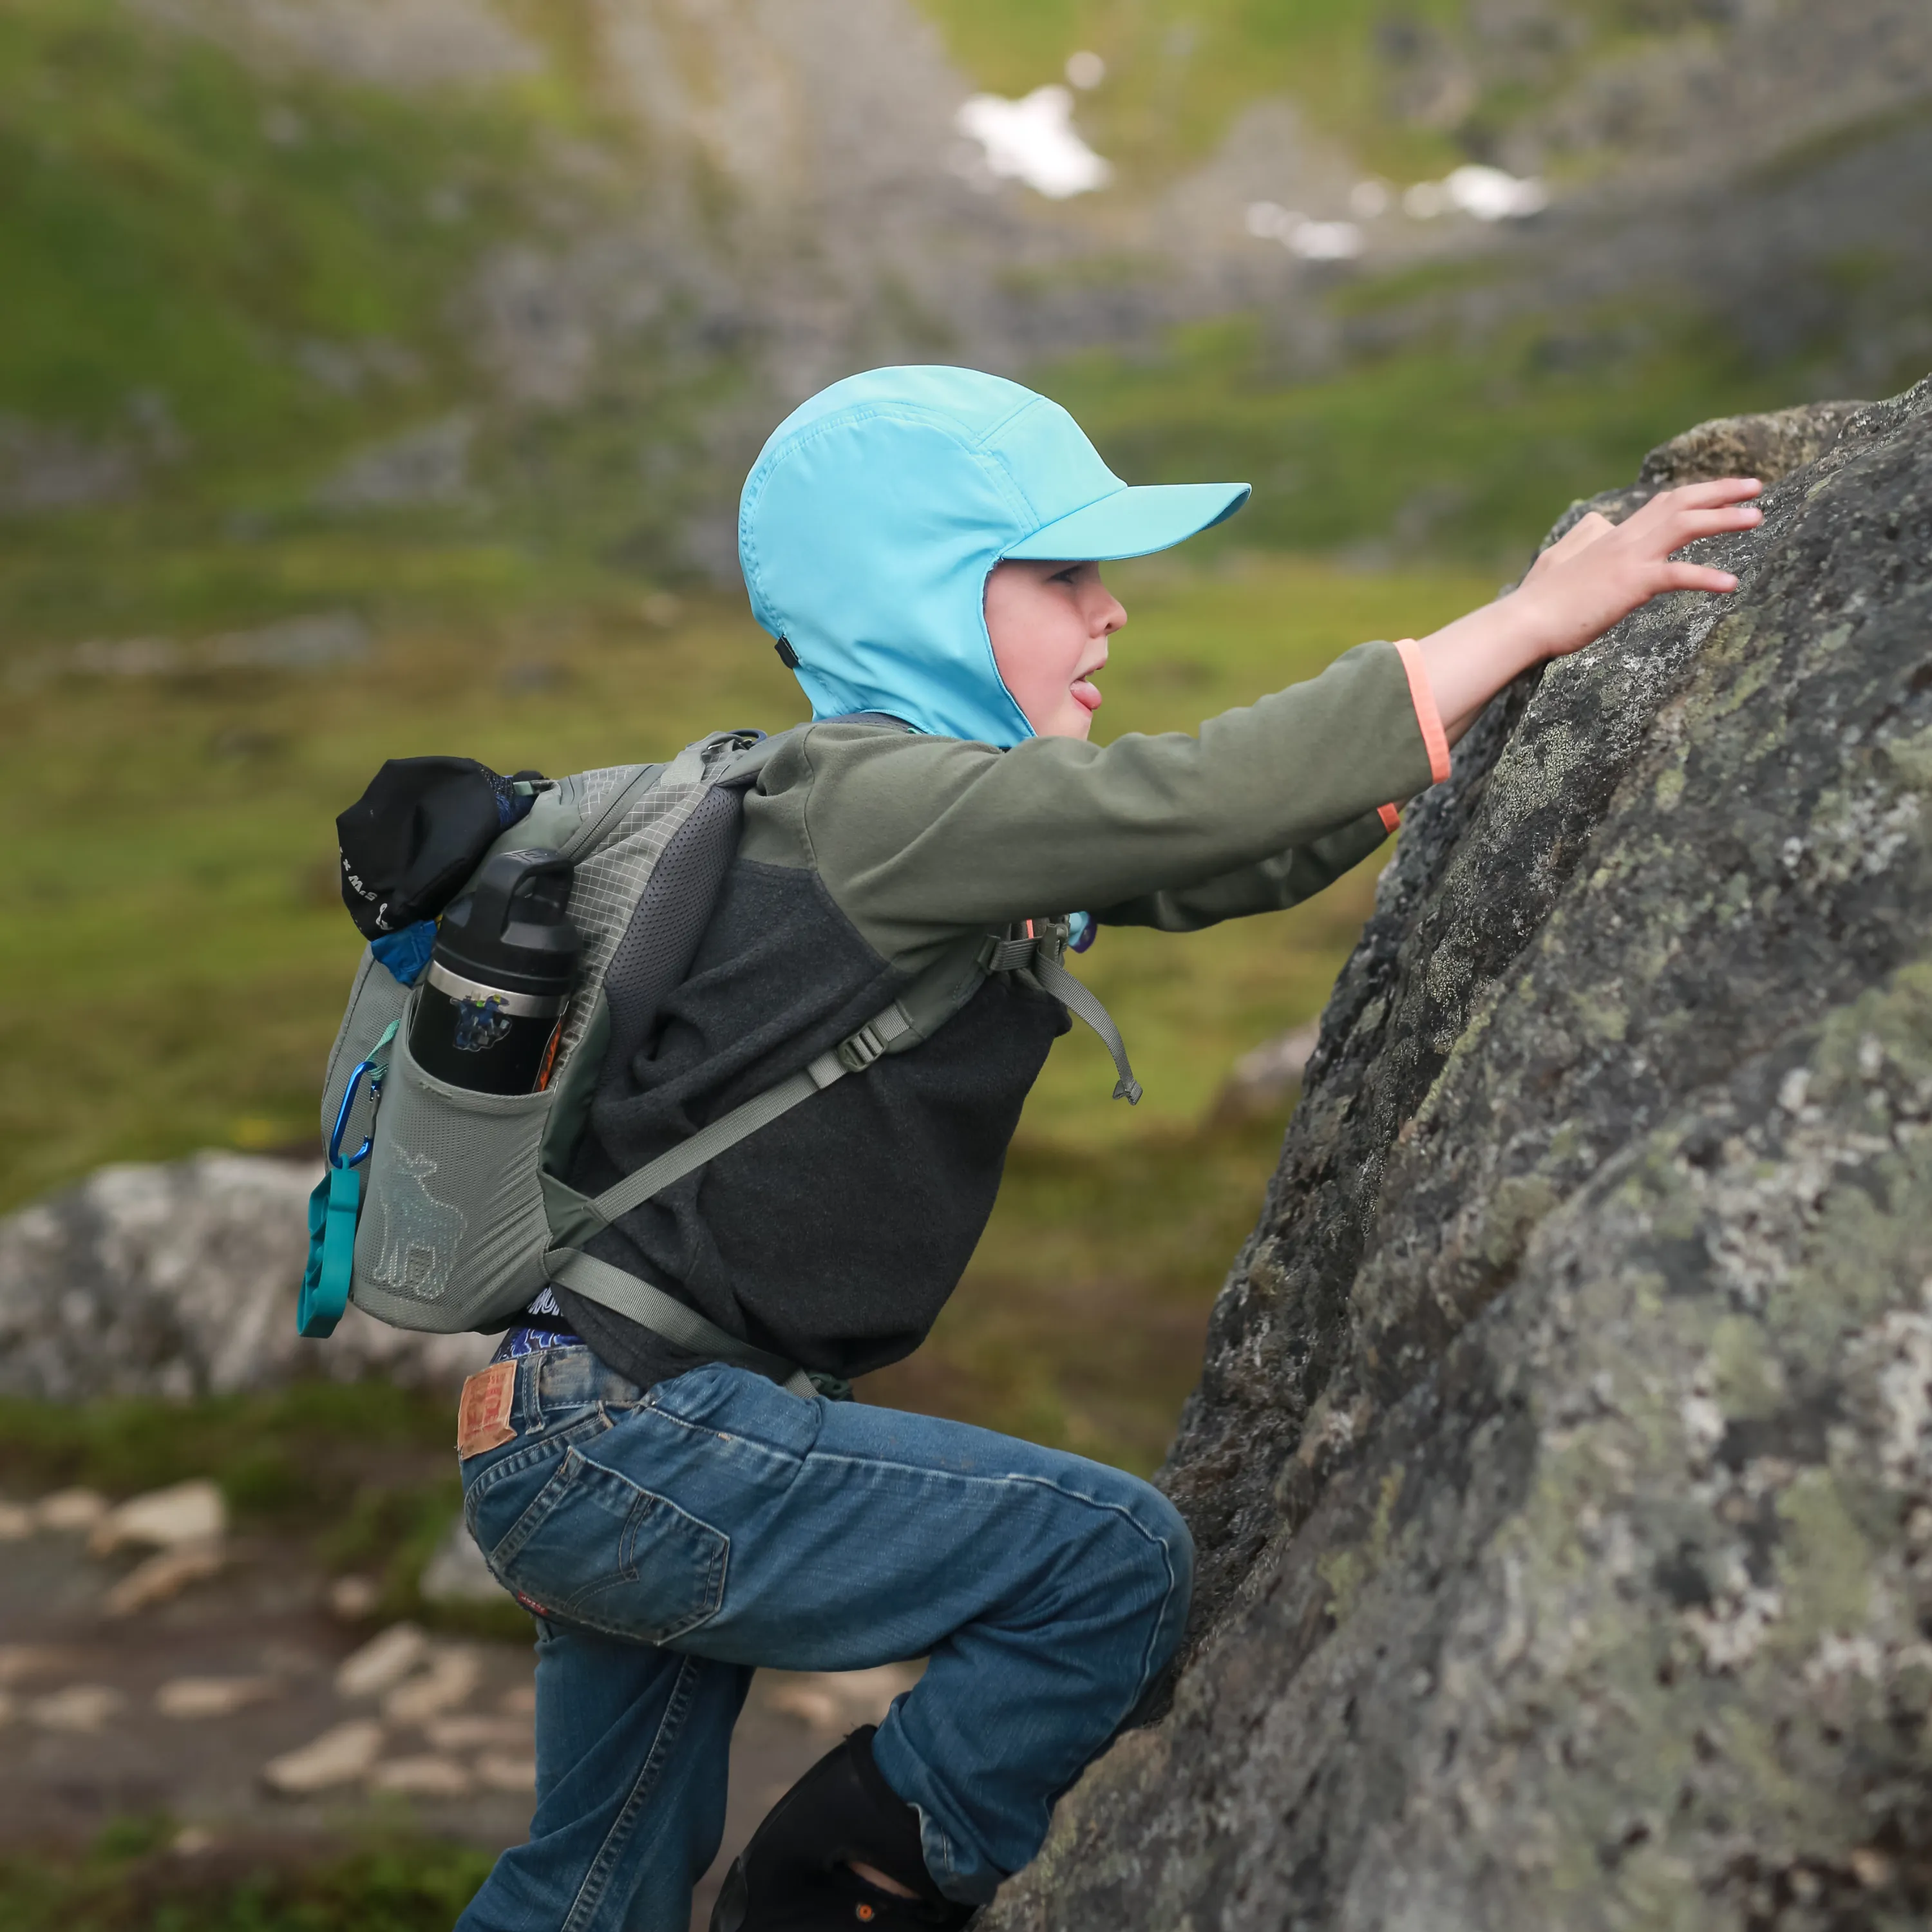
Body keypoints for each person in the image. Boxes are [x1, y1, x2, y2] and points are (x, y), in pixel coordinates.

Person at [450, 366, 1762, 1932]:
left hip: (587, 1424)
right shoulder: (895, 808)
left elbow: (1203, 864)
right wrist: (1528, 621)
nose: (1114, 613)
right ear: (920, 602)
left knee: (594, 1883)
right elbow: (1187, 805)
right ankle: (847, 1884)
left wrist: (1444, 743)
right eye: (1063, 575)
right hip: (641, 1441)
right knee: (1111, 1564)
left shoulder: (887, 812)